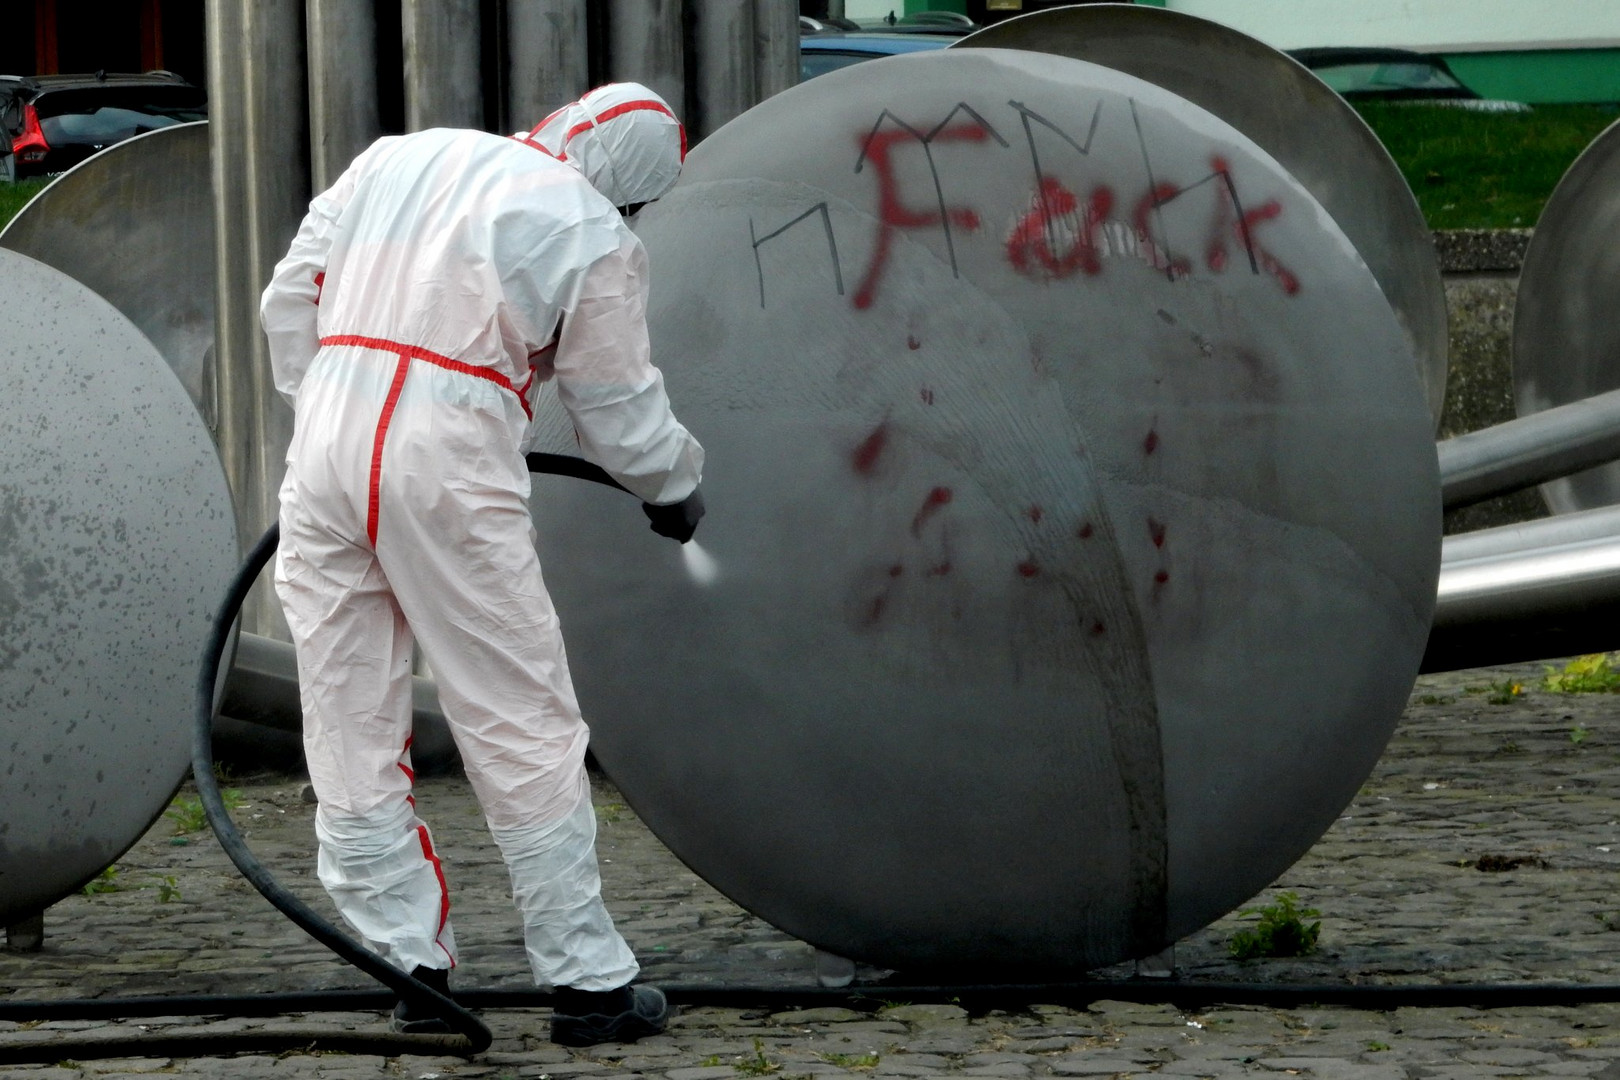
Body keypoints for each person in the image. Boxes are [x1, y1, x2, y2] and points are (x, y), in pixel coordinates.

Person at [260, 82, 706, 1047]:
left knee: (347, 715)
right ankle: (587, 985)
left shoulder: (395, 155)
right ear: (628, 186)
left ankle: (409, 972)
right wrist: (671, 486)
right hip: (452, 458)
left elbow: (285, 297)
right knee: (519, 715)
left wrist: (329, 403)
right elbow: (615, 400)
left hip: (327, 446)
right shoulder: (591, 228)